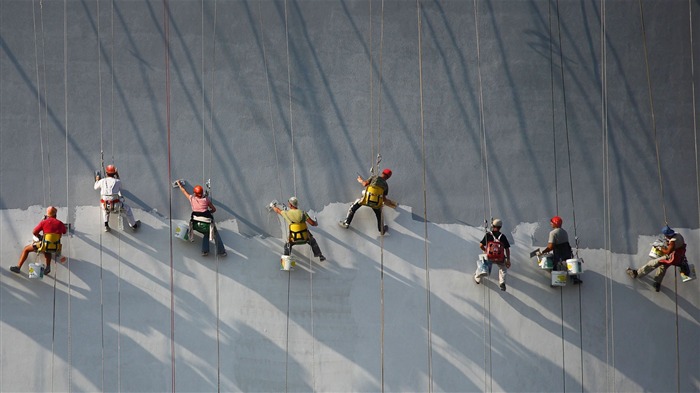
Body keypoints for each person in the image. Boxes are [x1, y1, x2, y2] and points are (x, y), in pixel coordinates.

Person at [9, 206, 67, 276]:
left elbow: (34, 232)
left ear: (47, 215)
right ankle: (48, 267)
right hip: (55, 247)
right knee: (47, 249)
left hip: (44, 245)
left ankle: (18, 267)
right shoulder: (60, 223)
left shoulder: (44, 222)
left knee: (26, 249)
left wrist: (40, 236)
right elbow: (64, 232)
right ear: (55, 214)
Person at [627, 225, 686, 292]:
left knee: (653, 263)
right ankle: (657, 283)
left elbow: (667, 252)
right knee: (662, 267)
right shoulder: (678, 235)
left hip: (671, 257)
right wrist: (668, 242)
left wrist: (659, 248)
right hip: (678, 256)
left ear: (667, 235)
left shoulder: (672, 242)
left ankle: (637, 273)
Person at [175, 180, 226, 257]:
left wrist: (179, 184)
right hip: (206, 224)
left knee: (206, 233)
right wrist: (209, 211)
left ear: (195, 193)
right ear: (202, 193)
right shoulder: (206, 200)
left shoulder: (191, 198)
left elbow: (184, 191)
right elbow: (214, 209)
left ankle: (205, 251)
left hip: (195, 225)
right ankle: (221, 252)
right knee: (215, 234)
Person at [339, 168, 396, 234]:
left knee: (353, 207)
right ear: (388, 177)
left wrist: (360, 180)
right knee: (379, 214)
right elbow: (384, 199)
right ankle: (381, 229)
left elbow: (365, 184)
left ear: (382, 173)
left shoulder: (374, 177)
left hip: (366, 200)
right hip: (376, 204)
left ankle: (346, 223)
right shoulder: (386, 186)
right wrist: (391, 203)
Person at [271, 197, 326, 261]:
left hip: (293, 239)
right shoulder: (303, 213)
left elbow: (278, 210)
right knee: (313, 241)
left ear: (291, 205)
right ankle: (320, 255)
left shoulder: (286, 213)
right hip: (305, 239)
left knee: (287, 246)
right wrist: (316, 223)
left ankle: (286, 262)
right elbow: (312, 223)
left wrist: (273, 206)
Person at [94, 164, 140, 232]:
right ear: (114, 173)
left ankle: (106, 225)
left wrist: (97, 180)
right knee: (127, 209)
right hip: (115, 205)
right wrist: (117, 175)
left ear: (106, 173)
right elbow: (120, 187)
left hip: (105, 204)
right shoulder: (117, 181)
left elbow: (95, 187)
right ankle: (133, 225)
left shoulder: (102, 181)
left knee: (105, 210)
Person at [539, 215, 582, 284]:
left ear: (555, 223)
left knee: (555, 264)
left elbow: (550, 247)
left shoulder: (553, 233)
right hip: (567, 251)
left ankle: (557, 282)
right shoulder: (564, 232)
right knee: (568, 264)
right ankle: (574, 278)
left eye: (551, 223)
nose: (551, 224)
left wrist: (543, 252)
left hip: (559, 252)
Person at [475, 218, 511, 291]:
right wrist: (508, 260)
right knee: (503, 268)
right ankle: (502, 282)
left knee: (482, 264)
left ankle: (477, 278)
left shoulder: (488, 235)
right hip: (500, 258)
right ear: (500, 227)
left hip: (489, 257)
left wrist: (486, 251)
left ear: (492, 225)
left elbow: (481, 245)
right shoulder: (502, 236)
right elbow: (507, 249)